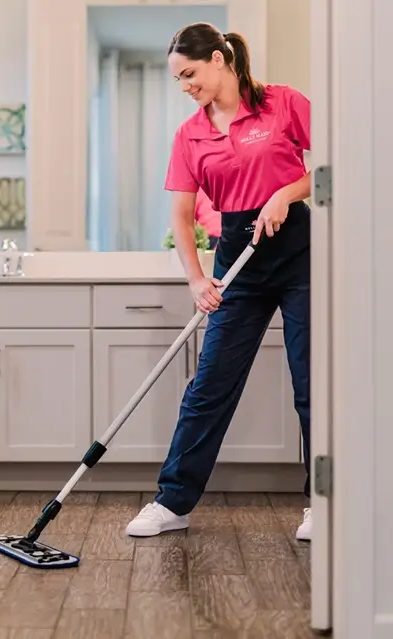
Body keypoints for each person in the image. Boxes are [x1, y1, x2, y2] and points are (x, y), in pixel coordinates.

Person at [125, 23, 313, 541]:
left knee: (312, 383)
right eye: (178, 79)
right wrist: (196, 279)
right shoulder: (190, 135)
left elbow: (336, 168)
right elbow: (182, 218)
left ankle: (323, 503)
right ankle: (173, 501)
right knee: (209, 387)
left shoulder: (283, 102)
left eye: (189, 74)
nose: (185, 86)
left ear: (218, 60)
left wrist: (286, 194)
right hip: (238, 258)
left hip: (298, 252)